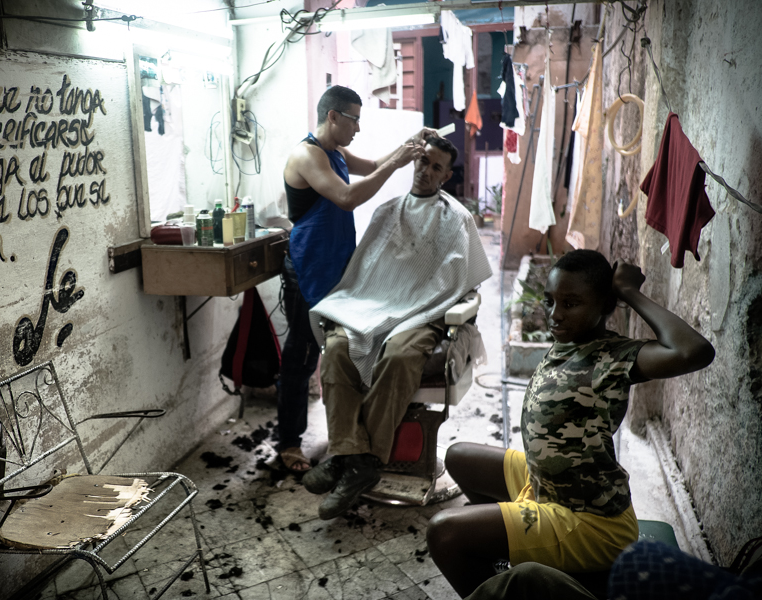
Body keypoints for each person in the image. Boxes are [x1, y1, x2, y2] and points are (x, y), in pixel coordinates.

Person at [426, 250, 716, 597]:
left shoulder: (616, 356)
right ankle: (506, 563)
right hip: (546, 486)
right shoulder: (570, 340)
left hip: (590, 520)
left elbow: (694, 351)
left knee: (444, 532)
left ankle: (500, 588)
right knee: (458, 457)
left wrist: (630, 293)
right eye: (550, 301)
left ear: (605, 306)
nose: (554, 315)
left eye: (571, 303)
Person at [301, 136, 494, 519]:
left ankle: (353, 460)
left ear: (446, 175)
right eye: (423, 162)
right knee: (338, 348)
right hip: (374, 306)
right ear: (413, 162)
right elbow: (366, 274)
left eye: (436, 167)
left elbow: (463, 282)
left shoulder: (457, 219)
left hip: (425, 311)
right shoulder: (386, 212)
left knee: (400, 352)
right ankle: (356, 460)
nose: (426, 171)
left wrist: (430, 306)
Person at [277, 85, 433, 473]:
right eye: (354, 119)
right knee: (300, 356)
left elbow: (374, 165)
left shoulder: (337, 153)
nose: (358, 129)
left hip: (335, 265)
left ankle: (347, 438)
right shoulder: (306, 155)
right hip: (307, 265)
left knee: (336, 350)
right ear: (333, 116)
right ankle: (288, 443)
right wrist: (395, 165)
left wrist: (406, 149)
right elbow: (347, 197)